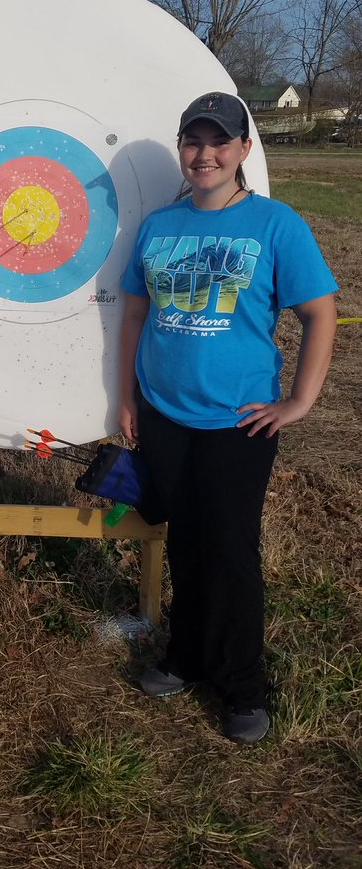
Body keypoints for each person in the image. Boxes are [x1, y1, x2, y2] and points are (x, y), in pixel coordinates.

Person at [119, 92, 337, 744]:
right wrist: (127, 396)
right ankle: (184, 657)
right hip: (163, 414)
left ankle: (242, 686)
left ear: (244, 150)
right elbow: (134, 313)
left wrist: (297, 401)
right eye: (193, 141)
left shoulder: (274, 225)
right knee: (184, 540)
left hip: (236, 424)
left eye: (219, 141)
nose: (204, 154)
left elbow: (319, 312)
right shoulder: (159, 226)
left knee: (231, 550)